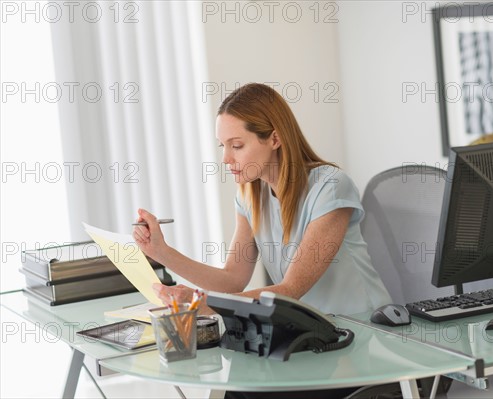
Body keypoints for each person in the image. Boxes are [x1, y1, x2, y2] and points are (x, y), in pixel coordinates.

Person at [133, 83, 392, 399]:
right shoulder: (250, 194)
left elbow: (290, 291)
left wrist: (202, 303)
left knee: (249, 392)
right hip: (306, 339)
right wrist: (161, 251)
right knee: (237, 389)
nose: (226, 158)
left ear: (275, 138)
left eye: (237, 145)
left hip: (360, 338)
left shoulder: (330, 188)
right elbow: (232, 280)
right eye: (223, 146)